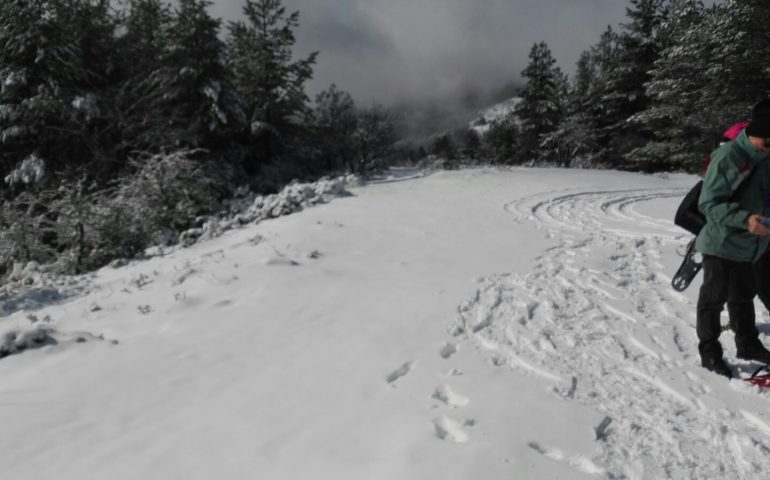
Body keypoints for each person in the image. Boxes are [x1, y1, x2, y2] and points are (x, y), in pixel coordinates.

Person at [696, 100, 770, 378]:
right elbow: (709, 204)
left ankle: (748, 344)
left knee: (743, 297)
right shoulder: (730, 157)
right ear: (757, 133)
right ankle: (710, 353)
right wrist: (746, 220)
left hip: (752, 247)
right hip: (722, 244)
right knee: (713, 299)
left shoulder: (765, 158)